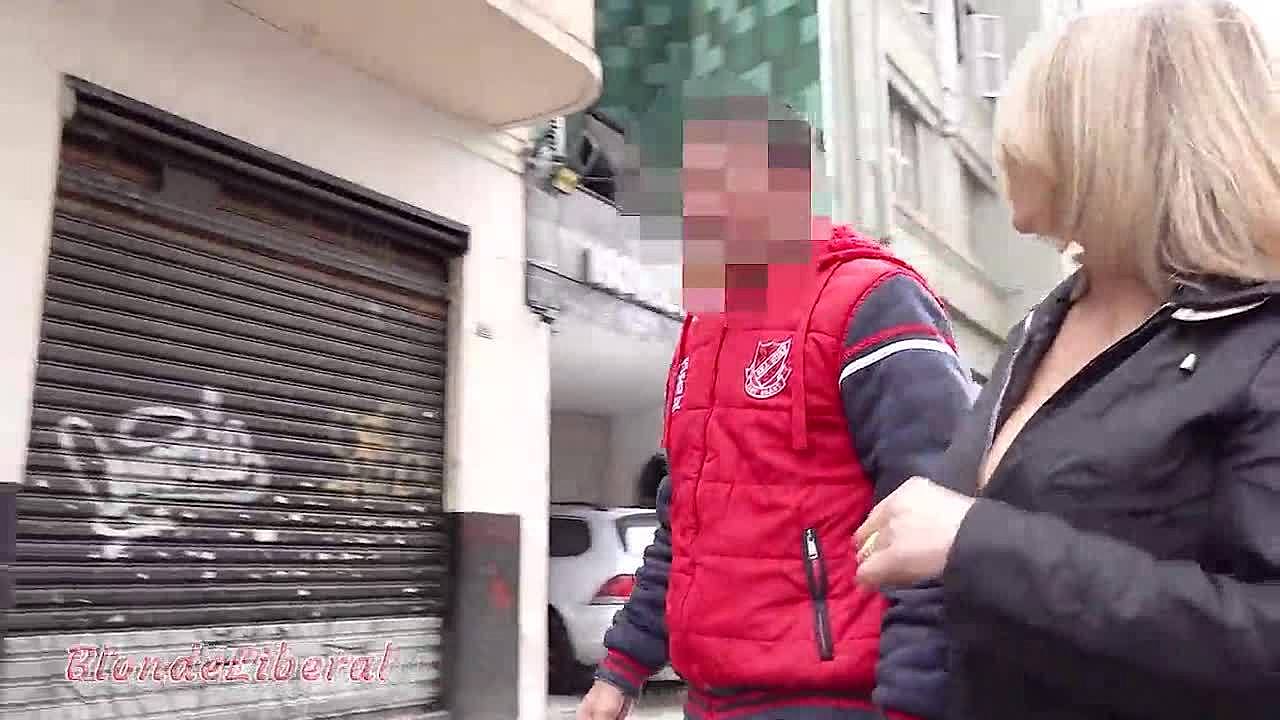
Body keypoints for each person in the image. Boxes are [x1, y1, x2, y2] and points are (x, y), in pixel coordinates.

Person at [851, 2, 1280, 718]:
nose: (1007, 149)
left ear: (1105, 143)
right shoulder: (1042, 325)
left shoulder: (1259, 342)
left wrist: (981, 544)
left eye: (1029, 123)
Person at [577, 88, 973, 720]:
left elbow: (938, 516)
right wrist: (621, 669)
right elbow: (683, 521)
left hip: (835, 701)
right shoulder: (704, 327)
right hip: (711, 699)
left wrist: (914, 703)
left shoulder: (874, 300)